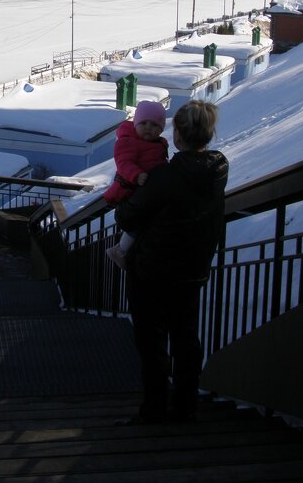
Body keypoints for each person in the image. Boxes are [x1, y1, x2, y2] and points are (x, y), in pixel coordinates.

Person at [115, 100, 228, 425]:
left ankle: (154, 409)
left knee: (152, 342)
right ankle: (185, 407)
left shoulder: (165, 176)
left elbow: (127, 216)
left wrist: (124, 189)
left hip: (152, 270)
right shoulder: (217, 169)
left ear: (176, 135)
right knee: (185, 337)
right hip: (193, 269)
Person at [104, 100, 168, 270]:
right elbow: (123, 163)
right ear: (136, 123)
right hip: (130, 189)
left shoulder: (159, 144)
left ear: (161, 129)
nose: (148, 127)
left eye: (154, 125)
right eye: (144, 123)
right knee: (138, 222)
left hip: (146, 189)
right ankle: (119, 250)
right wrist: (136, 175)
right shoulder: (128, 141)